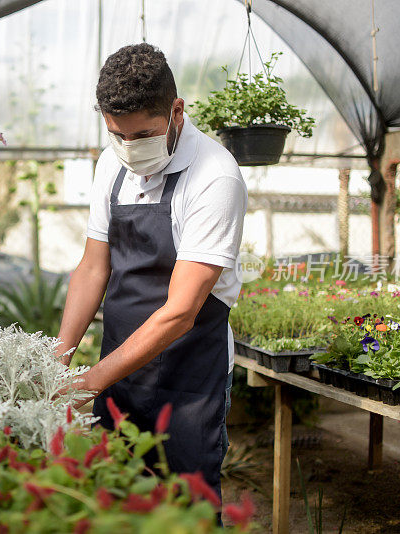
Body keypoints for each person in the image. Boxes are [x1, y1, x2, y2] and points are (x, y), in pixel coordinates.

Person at [56, 43, 247, 501]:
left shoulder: (215, 177)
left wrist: (90, 380)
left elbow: (180, 312)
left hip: (189, 372)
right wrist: (58, 359)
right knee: (117, 498)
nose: (128, 148)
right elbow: (92, 268)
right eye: (116, 134)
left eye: (142, 134)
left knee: (186, 504)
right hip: (120, 361)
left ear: (177, 111)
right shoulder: (111, 162)